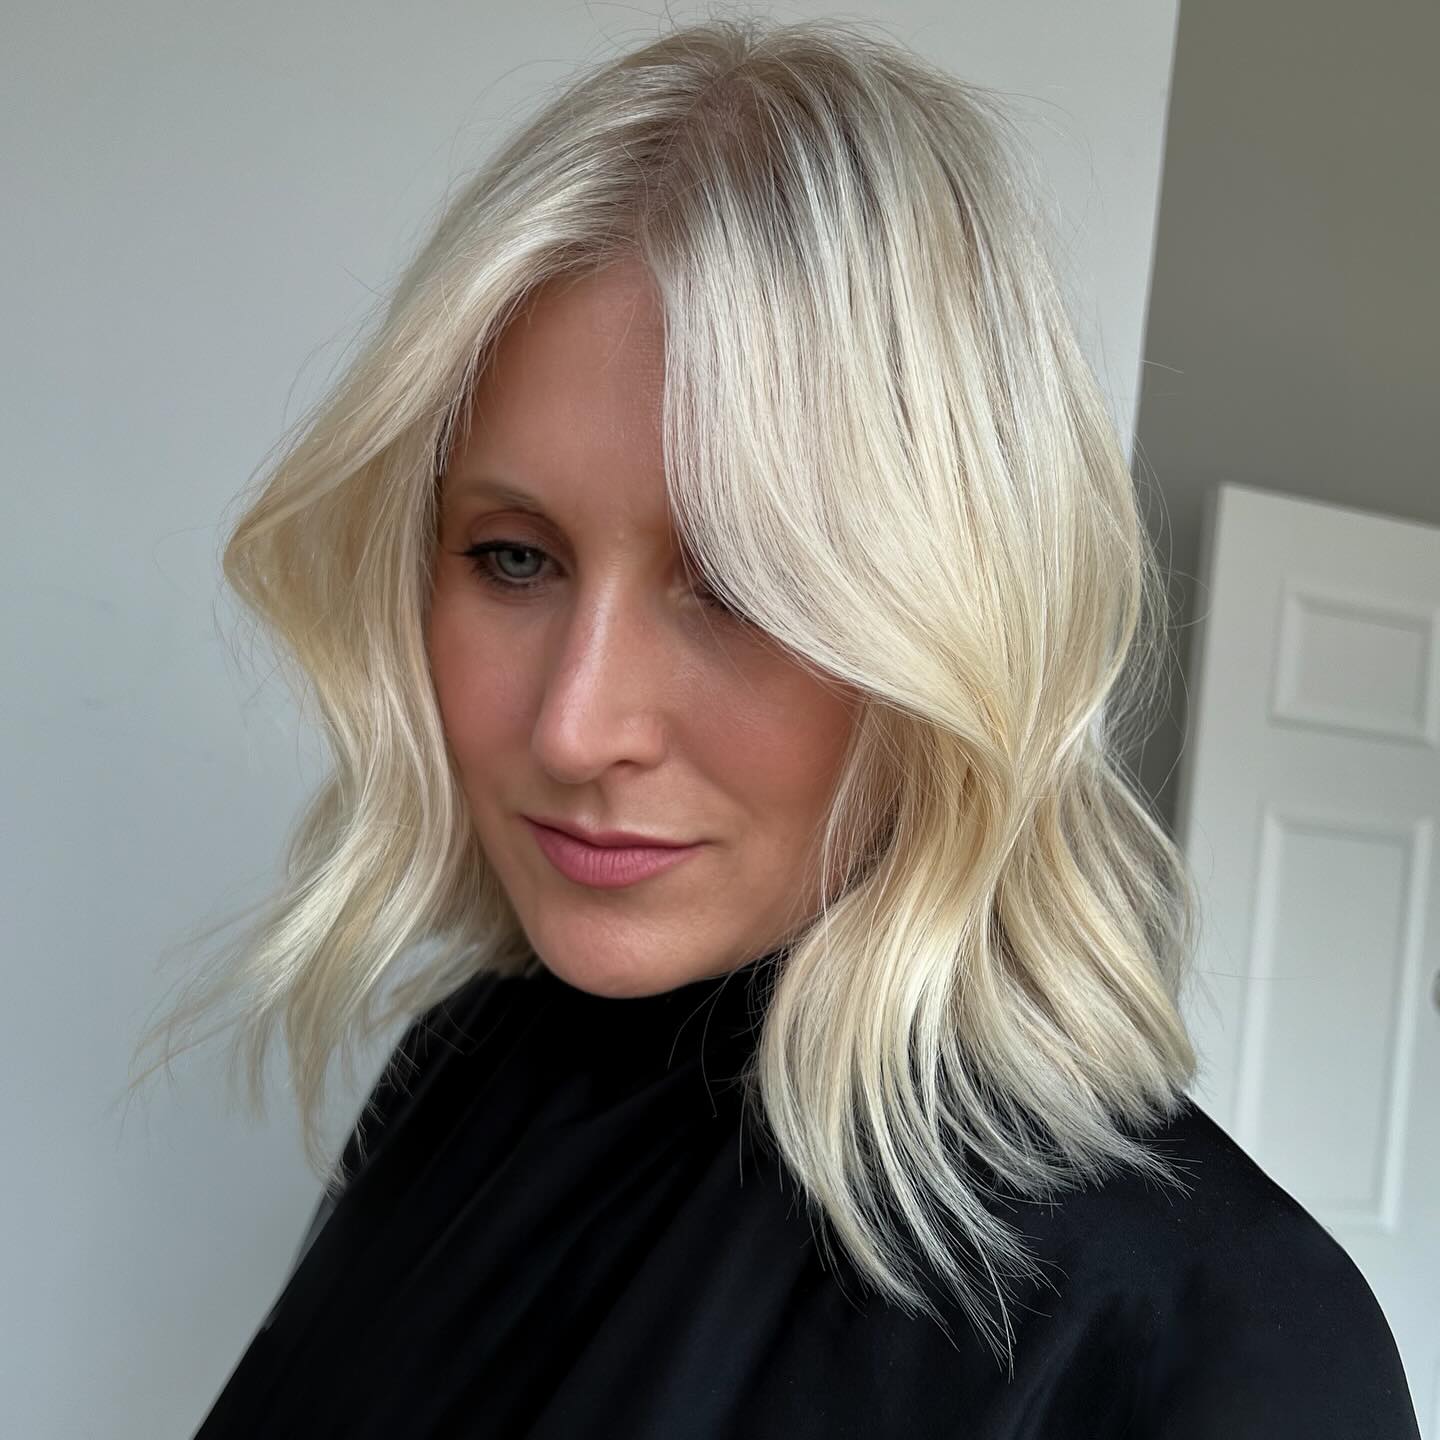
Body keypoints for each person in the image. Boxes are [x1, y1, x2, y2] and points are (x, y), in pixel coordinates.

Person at [132, 16, 1420, 1438]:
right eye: (513, 557)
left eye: (740, 586)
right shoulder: (467, 1065)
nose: (576, 727)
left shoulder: (1211, 1338)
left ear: (962, 624)